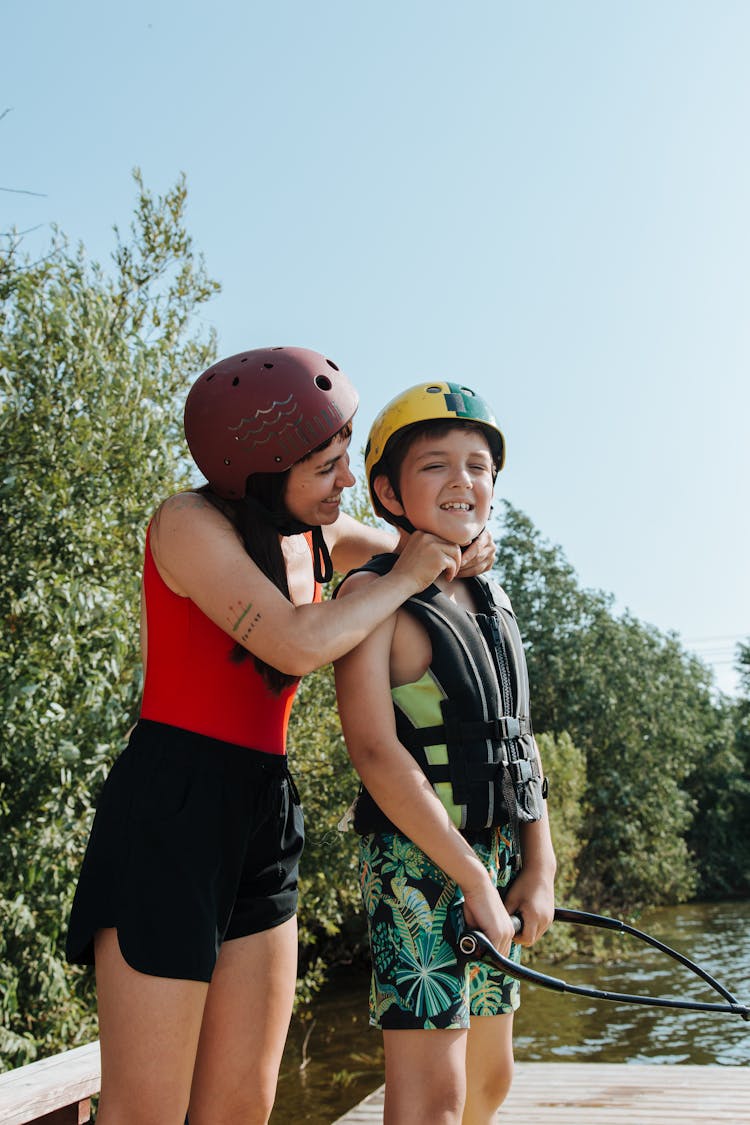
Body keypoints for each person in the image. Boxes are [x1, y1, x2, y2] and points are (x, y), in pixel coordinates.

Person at [65, 348, 498, 1125]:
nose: (344, 481)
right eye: (327, 465)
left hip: (266, 807)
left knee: (240, 1106)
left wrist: (462, 551)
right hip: (172, 805)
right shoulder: (186, 523)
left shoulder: (319, 537)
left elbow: (422, 539)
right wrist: (405, 575)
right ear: (260, 470)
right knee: (147, 1112)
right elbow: (297, 641)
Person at [333, 382, 556, 1125]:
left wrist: (538, 864)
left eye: (478, 465)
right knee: (434, 1097)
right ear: (389, 491)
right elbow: (374, 749)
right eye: (436, 466)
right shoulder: (373, 595)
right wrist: (470, 876)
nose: (463, 480)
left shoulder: (491, 596)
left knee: (491, 1078)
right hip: (417, 863)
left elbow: (517, 741)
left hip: (498, 854)